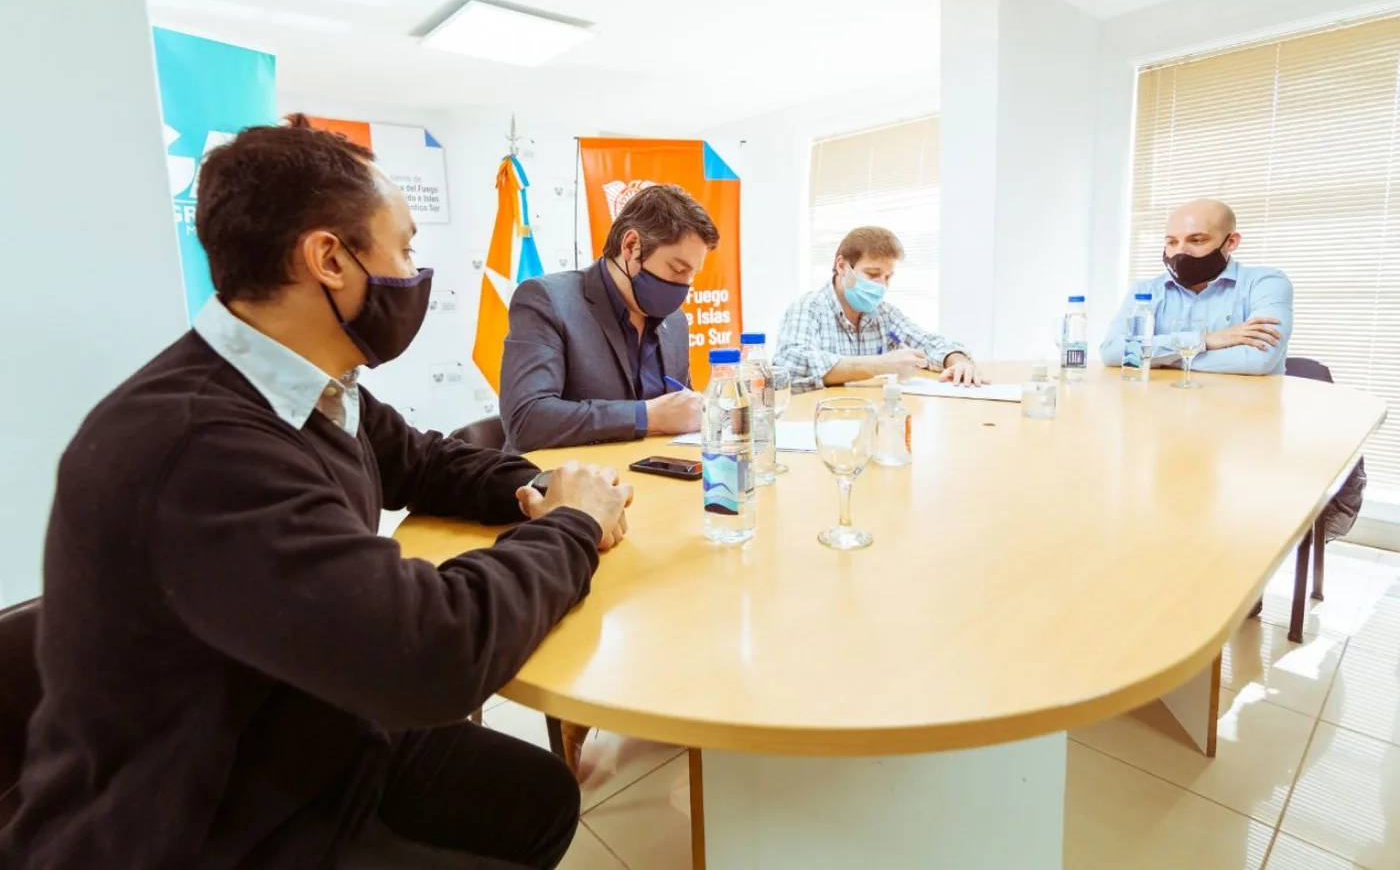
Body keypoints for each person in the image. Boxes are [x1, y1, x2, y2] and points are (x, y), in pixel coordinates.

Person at [0, 116, 634, 870]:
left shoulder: (311, 386)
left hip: (309, 722)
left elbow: (425, 463)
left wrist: (538, 485)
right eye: (403, 248)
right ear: (329, 258)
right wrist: (567, 524)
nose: (413, 273)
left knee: (539, 796)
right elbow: (431, 651)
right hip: (209, 817)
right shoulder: (197, 446)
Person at [499, 184, 719, 454]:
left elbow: (678, 413)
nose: (684, 287)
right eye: (677, 269)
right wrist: (648, 415)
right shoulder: (547, 301)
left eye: (692, 276)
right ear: (631, 246)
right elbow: (526, 421)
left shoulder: (674, 322)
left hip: (651, 481)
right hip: (558, 486)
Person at [775, 226, 980, 393]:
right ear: (842, 266)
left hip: (872, 418)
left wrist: (958, 361)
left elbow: (927, 342)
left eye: (888, 277)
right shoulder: (809, 308)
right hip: (819, 422)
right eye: (873, 274)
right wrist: (879, 365)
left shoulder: (884, 313)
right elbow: (790, 366)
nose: (882, 285)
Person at [1100, 199, 1292, 375]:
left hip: (1244, 408)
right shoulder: (1145, 291)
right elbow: (1111, 352)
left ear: (1231, 242)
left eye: (1197, 240)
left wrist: (1160, 358)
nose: (1180, 251)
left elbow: (1257, 361)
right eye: (1172, 242)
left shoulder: (1266, 283)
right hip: (1162, 406)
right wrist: (1205, 340)